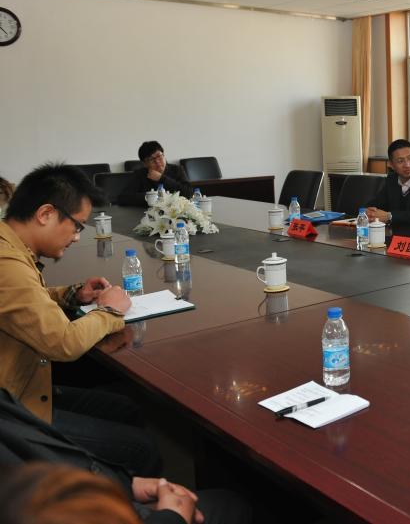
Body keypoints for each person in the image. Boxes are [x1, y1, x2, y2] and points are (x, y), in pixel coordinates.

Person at [0, 163, 160, 476]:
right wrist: (110, 311)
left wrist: (73, 294)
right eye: (77, 226)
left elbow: (23, 300)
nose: (76, 238)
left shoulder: (11, 249)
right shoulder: (6, 263)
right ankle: (120, 497)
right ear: (46, 214)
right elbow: (63, 342)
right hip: (12, 413)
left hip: (23, 386)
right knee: (141, 449)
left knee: (125, 408)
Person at [0, 389, 251, 524]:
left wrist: (127, 484)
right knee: (231, 506)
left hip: (95, 495)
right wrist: (171, 517)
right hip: (98, 511)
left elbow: (46, 451)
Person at [119, 142, 193, 206]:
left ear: (164, 155)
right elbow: (123, 198)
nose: (157, 161)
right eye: (151, 159)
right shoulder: (140, 174)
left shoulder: (177, 170)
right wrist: (152, 197)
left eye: (159, 156)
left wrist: (162, 179)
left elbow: (189, 193)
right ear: (145, 164)